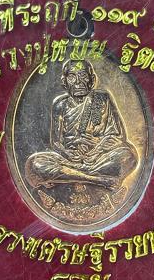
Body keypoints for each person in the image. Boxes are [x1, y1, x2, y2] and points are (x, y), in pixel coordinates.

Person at [25, 59, 138, 191]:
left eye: (83, 76)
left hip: (98, 158)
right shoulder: (60, 105)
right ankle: (97, 179)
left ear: (92, 80)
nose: (78, 82)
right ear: (64, 82)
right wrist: (68, 154)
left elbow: (117, 137)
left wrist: (96, 150)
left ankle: (69, 175)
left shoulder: (101, 99)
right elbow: (56, 143)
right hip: (69, 159)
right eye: (72, 77)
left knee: (128, 156)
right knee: (35, 164)